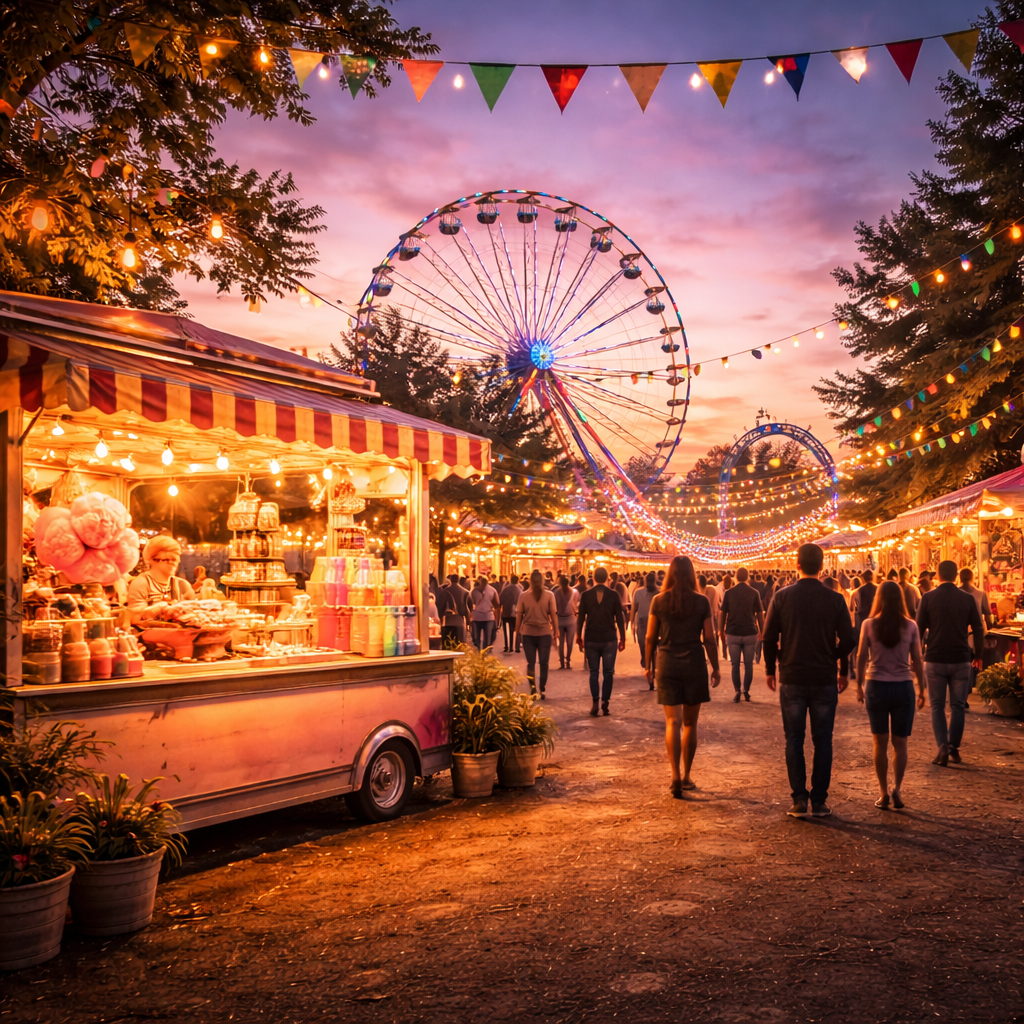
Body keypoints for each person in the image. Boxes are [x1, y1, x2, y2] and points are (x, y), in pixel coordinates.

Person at [763, 543, 857, 818]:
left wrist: (772, 667)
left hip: (792, 675)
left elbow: (768, 637)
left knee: (793, 738)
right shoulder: (835, 599)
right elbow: (850, 639)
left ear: (797, 564)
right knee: (823, 740)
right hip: (824, 676)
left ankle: (799, 799)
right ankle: (819, 801)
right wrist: (838, 664)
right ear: (822, 564)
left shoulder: (782, 597)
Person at [646, 556, 720, 798]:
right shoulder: (701, 602)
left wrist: (648, 665)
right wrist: (715, 666)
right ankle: (687, 776)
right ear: (691, 575)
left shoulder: (658, 601)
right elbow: (709, 637)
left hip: (667, 661)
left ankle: (674, 775)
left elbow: (649, 637)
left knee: (671, 723)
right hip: (694, 663)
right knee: (690, 723)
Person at [855, 581, 927, 809]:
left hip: (876, 686)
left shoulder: (868, 625)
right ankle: (897, 789)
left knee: (879, 742)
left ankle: (883, 792)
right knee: (900, 742)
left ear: (879, 598)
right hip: (903, 687)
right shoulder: (911, 626)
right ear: (901, 600)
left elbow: (859, 657)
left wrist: (858, 685)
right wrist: (922, 688)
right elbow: (917, 659)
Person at [916, 560, 984, 766]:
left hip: (935, 658)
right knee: (957, 706)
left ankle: (942, 746)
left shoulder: (928, 598)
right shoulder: (968, 599)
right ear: (956, 576)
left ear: (937, 575)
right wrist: (978, 655)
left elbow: (917, 629)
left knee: (936, 705)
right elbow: (979, 629)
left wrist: (918, 655)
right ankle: (953, 746)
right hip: (961, 658)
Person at [576, 565, 626, 717]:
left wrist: (579, 637)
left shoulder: (585, 595)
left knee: (593, 672)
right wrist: (622, 638)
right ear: (607, 579)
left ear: (594, 578)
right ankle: (605, 702)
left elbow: (580, 618)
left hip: (591, 638)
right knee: (608, 672)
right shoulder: (614, 595)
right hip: (609, 638)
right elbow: (620, 618)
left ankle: (595, 702)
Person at [719, 566, 764, 703]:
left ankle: (737, 691)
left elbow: (723, 613)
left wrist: (721, 630)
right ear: (748, 577)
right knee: (749, 664)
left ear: (736, 577)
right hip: (750, 633)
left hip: (733, 632)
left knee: (735, 664)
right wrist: (762, 630)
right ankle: (747, 691)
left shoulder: (729, 593)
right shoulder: (754, 592)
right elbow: (760, 614)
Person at [127, 536, 196, 621]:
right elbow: (134, 617)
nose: (173, 564)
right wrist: (158, 609)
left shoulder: (183, 585)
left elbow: (195, 613)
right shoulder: (141, 583)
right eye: (167, 559)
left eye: (175, 560)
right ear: (151, 560)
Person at [515, 570, 558, 698]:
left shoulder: (523, 596)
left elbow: (519, 616)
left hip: (528, 633)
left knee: (531, 663)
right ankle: (542, 688)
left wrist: (517, 632)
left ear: (530, 581)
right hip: (545, 633)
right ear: (542, 581)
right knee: (544, 663)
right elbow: (553, 614)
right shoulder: (550, 595)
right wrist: (556, 630)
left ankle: (533, 687)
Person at [631, 572, 658, 678]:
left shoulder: (658, 593)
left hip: (648, 622)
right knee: (646, 646)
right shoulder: (639, 593)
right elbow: (634, 609)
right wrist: (632, 623)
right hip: (644, 622)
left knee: (647, 645)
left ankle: (651, 668)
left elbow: (633, 610)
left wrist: (632, 623)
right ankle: (648, 663)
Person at [553, 575, 579, 670]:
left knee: (561, 642)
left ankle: (561, 663)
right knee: (569, 642)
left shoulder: (556, 593)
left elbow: (554, 607)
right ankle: (568, 661)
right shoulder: (574, 592)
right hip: (571, 619)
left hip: (560, 619)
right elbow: (577, 604)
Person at [438, 574, 470, 648]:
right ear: (458, 580)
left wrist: (440, 619)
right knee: (459, 646)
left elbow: (440, 607)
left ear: (451, 580)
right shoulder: (465, 592)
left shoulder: (445, 591)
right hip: (460, 622)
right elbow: (466, 608)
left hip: (447, 622)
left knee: (447, 645)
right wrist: (468, 622)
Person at [468, 576, 500, 651]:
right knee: (487, 638)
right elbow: (497, 605)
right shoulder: (492, 590)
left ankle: (480, 651)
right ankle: (484, 652)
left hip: (478, 617)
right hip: (487, 616)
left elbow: (470, 604)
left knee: (477, 638)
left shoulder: (474, 591)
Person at [499, 574, 523, 653]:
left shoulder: (505, 589)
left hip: (506, 612)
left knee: (506, 630)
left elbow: (500, 601)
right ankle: (517, 647)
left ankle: (507, 646)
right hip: (516, 613)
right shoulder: (520, 589)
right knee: (518, 629)